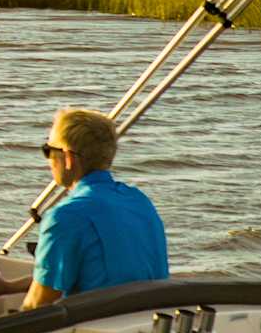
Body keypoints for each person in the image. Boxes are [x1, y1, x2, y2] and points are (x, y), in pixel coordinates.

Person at [20, 106, 169, 310]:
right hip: (144, 320)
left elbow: (36, 306)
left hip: (94, 325)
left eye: (48, 151)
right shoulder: (139, 201)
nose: (48, 161)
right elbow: (98, 273)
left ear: (68, 158)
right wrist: (6, 287)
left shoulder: (65, 217)